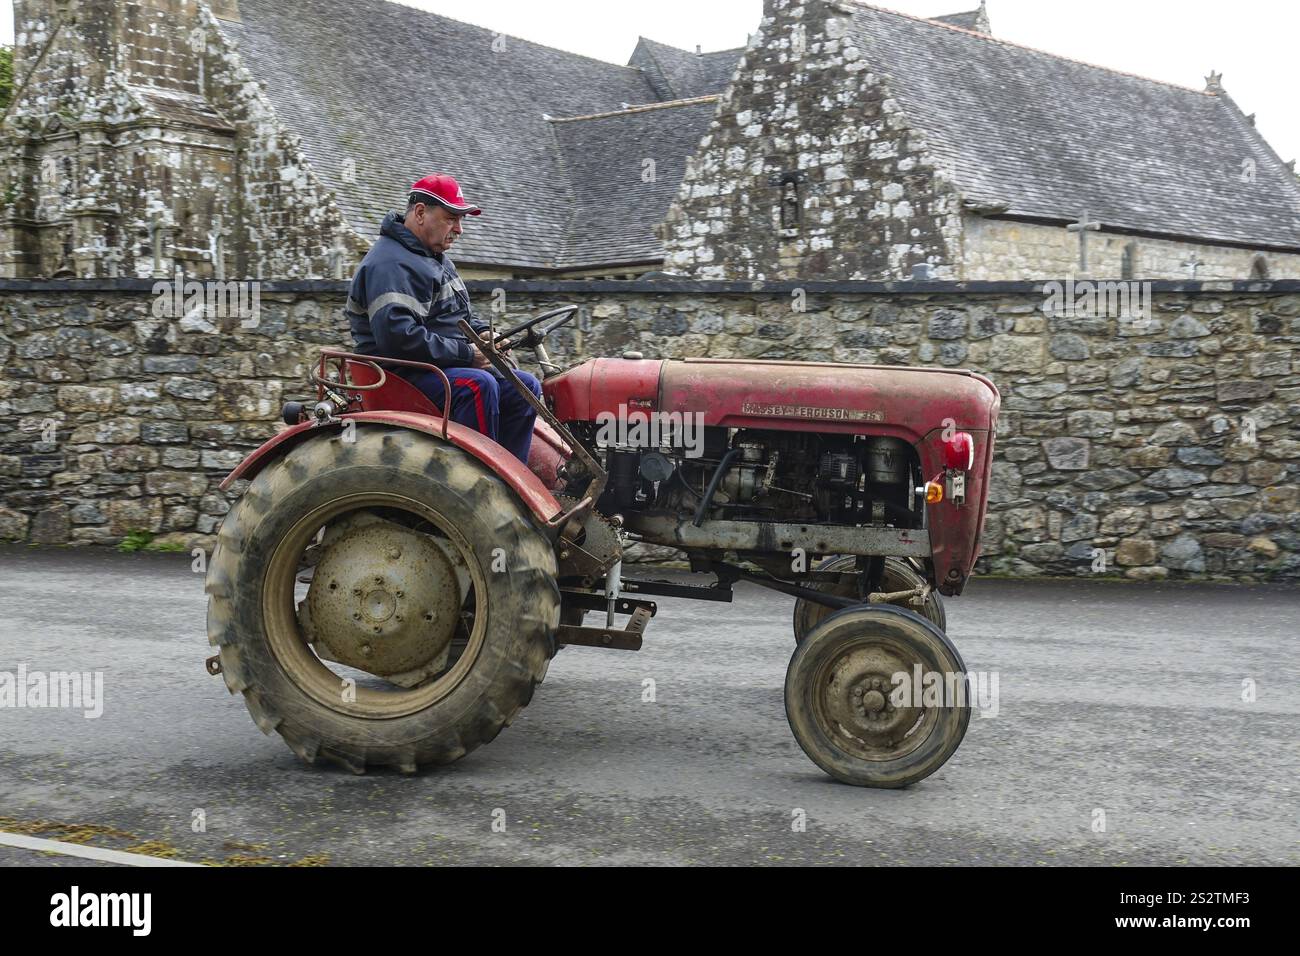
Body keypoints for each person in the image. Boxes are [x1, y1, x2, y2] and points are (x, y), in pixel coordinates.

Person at [345, 174, 541, 463]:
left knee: (525, 386)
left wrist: (486, 336)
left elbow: (459, 317)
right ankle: (483, 484)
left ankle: (516, 482)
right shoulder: (389, 264)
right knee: (478, 386)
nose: (459, 230)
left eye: (461, 220)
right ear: (421, 213)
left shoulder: (435, 258)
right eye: (451, 218)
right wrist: (467, 354)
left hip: (434, 367)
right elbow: (398, 338)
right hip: (401, 375)